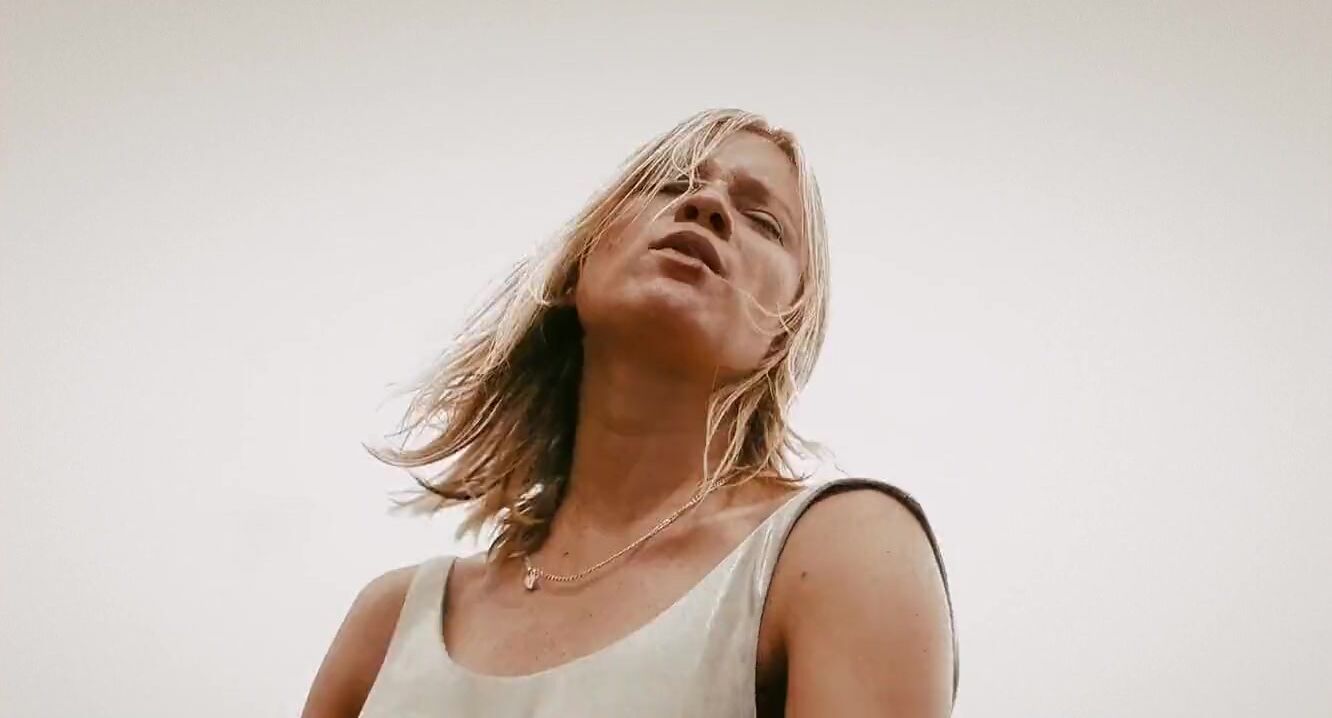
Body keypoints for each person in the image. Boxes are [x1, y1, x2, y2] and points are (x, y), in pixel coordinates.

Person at [301, 108, 959, 717]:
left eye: (763, 220)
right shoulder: (389, 629)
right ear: (578, 266)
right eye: (669, 185)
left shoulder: (841, 550)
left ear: (782, 333)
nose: (706, 205)